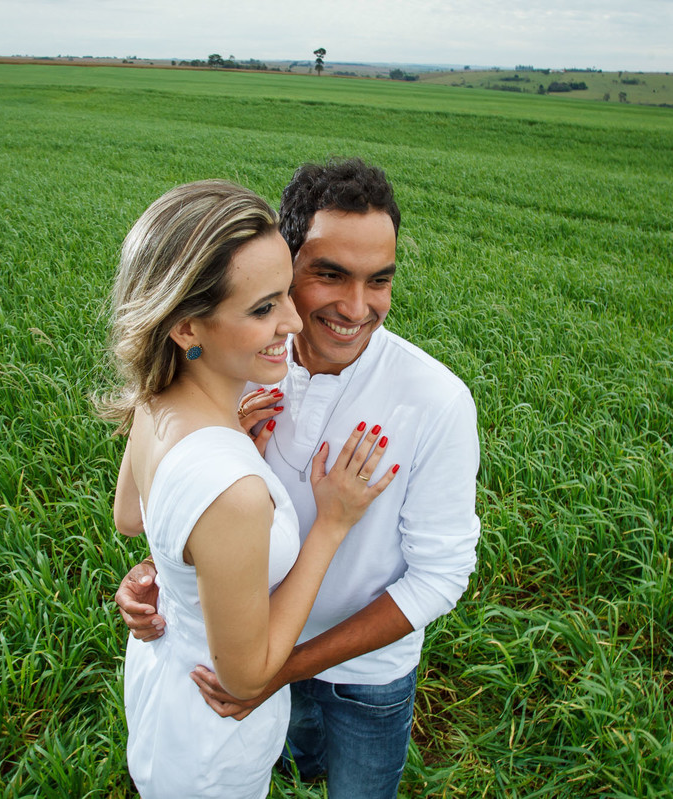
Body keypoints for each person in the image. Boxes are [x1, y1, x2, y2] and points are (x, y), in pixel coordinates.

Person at [115, 159, 481, 798]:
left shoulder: (436, 401)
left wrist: (285, 669)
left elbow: (440, 575)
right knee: (292, 762)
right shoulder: (238, 367)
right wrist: (163, 575)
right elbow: (191, 509)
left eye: (380, 280)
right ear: (284, 265)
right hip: (237, 658)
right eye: (329, 275)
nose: (357, 308)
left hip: (363, 675)